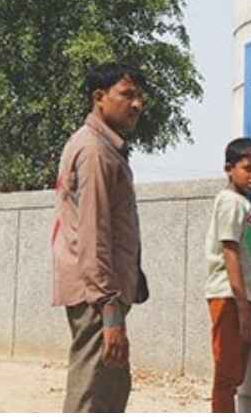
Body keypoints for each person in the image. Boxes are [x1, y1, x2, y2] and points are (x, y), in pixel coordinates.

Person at [51, 63, 148, 412]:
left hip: (101, 290)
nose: (137, 104)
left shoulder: (104, 148)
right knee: (92, 394)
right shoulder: (94, 151)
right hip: (97, 295)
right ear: (99, 98)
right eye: (127, 94)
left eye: (140, 96)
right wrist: (109, 311)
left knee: (111, 389)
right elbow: (93, 234)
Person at [205, 137, 251, 413]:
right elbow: (230, 251)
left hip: (242, 299)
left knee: (234, 372)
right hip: (230, 297)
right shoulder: (230, 202)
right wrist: (243, 309)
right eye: (248, 168)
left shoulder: (244, 203)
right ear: (229, 168)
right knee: (226, 375)